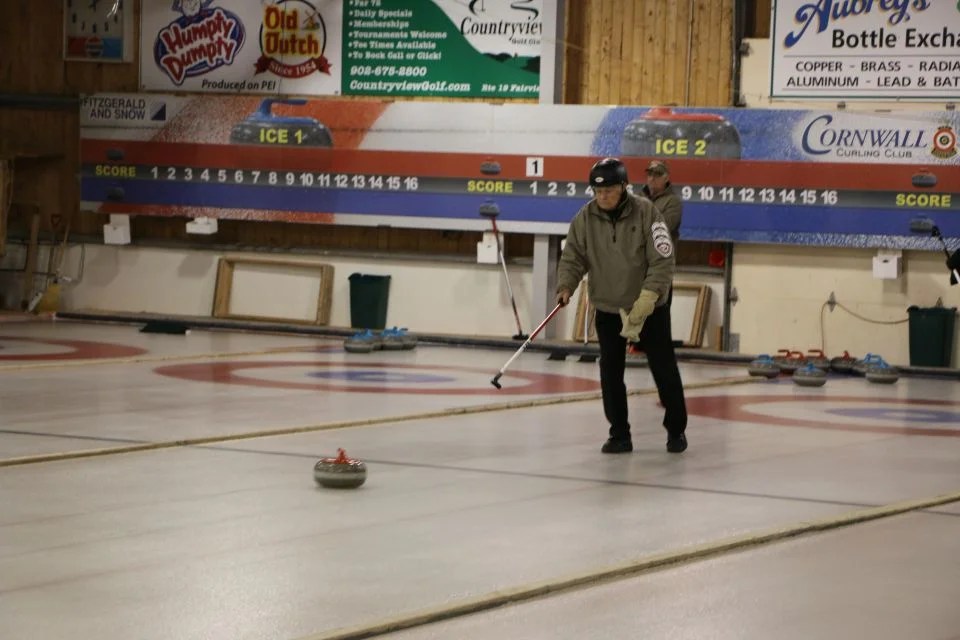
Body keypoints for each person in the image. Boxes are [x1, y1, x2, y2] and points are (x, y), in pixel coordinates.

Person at [555, 158, 688, 454]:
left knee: (663, 367)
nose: (602, 197)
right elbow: (573, 257)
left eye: (609, 191)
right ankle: (619, 433)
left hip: (648, 307)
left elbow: (662, 260)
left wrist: (648, 298)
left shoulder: (647, 213)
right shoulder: (585, 218)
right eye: (597, 191)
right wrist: (566, 286)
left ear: (624, 187)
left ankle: (676, 429)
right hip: (608, 307)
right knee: (610, 371)